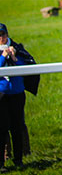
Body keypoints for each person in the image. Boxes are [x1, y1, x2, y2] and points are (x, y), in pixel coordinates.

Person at [0, 23, 39, 172]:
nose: (1, 38)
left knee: (17, 128)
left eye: (3, 34)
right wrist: (3, 57)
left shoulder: (16, 48)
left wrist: (14, 58)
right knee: (1, 129)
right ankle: (1, 163)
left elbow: (27, 64)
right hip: (1, 94)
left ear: (7, 34)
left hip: (17, 94)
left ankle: (19, 160)